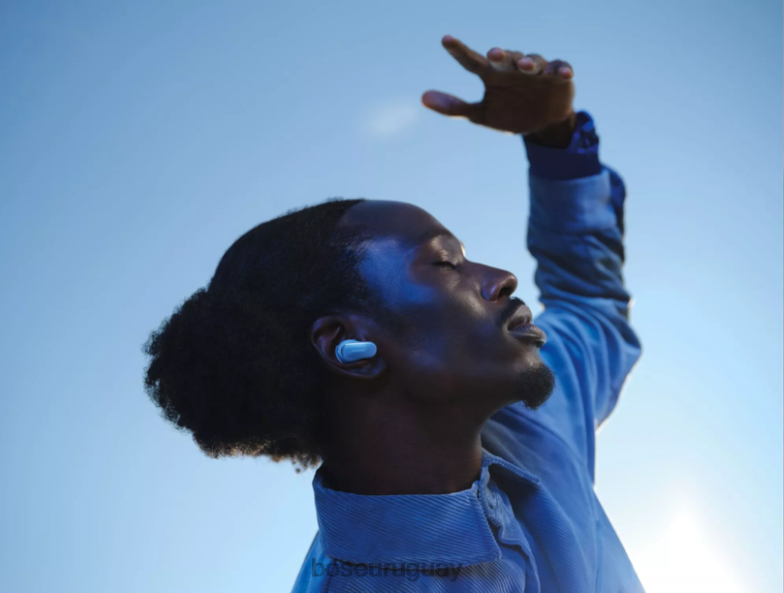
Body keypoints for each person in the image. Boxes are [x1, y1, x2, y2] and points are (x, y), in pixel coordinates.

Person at [142, 34, 645, 593]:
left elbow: (590, 306)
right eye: (446, 262)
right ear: (348, 345)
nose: (501, 277)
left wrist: (556, 145)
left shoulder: (531, 430)